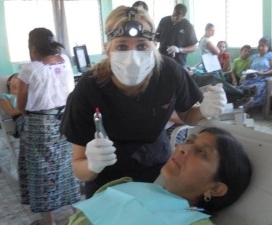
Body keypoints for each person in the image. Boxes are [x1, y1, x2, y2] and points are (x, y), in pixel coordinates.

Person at [60, 6, 227, 199]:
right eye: (122, 46)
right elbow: (78, 166)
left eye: (142, 46)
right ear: (107, 49)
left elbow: (187, 115)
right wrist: (92, 165)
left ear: (154, 46)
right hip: (107, 182)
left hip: (160, 170)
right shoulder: (89, 87)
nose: (133, 58)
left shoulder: (170, 73)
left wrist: (204, 110)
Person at [68, 127, 253, 225]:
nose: (182, 148)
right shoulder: (122, 186)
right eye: (188, 141)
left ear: (215, 188)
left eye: (201, 152)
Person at [16, 27, 81, 225]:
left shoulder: (29, 69)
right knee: (68, 165)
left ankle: (49, 221)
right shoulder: (66, 60)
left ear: (33, 47)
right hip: (66, 120)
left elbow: (20, 105)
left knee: (42, 171)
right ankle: (75, 214)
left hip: (40, 125)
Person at [239, 37, 272, 110]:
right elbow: (248, 69)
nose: (260, 47)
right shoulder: (253, 57)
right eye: (259, 45)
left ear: (268, 47)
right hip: (252, 77)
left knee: (258, 88)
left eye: (263, 46)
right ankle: (242, 105)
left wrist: (264, 73)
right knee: (241, 88)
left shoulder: (271, 55)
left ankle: (249, 106)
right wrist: (248, 73)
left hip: (264, 78)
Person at [155, 4, 198, 68]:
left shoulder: (188, 26)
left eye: (177, 18)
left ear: (183, 16)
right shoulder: (164, 21)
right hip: (162, 59)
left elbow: (194, 47)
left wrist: (179, 49)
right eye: (173, 15)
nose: (174, 18)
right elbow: (157, 38)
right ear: (173, 11)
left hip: (178, 62)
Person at [0, 73, 24, 138]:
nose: (19, 80)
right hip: (21, 118)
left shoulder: (28, 94)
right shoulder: (5, 96)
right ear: (8, 82)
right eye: (16, 78)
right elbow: (11, 113)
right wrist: (29, 108)